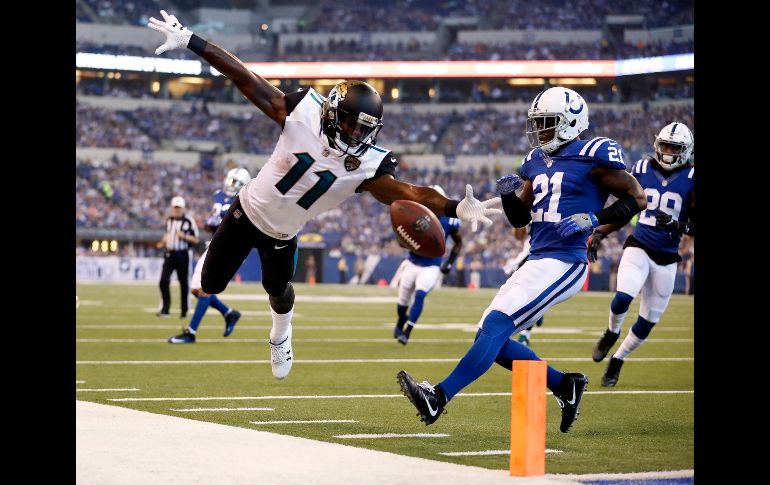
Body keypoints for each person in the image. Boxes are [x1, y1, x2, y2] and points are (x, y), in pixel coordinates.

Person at [148, 10, 501, 380]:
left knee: (278, 290)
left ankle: (280, 334)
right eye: (350, 122)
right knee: (209, 285)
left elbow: (408, 191)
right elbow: (245, 77)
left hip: (283, 233)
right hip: (247, 210)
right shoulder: (301, 112)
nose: (356, 134)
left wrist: (453, 206)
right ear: (334, 114)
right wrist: (192, 41)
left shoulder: (368, 165)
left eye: (365, 129)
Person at [396, 86, 646, 433]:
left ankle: (437, 397)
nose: (540, 131)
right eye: (538, 123)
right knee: (490, 337)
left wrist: (593, 220)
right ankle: (563, 385)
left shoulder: (593, 154)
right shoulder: (534, 160)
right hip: (537, 257)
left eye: (547, 123)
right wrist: (507, 195)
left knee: (496, 328)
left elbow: (637, 198)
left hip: (565, 261)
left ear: (570, 123)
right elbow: (519, 218)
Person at [587, 122, 694, 387]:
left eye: (674, 147)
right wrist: (601, 232)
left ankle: (618, 360)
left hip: (668, 257)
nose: (668, 151)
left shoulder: (692, 178)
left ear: (686, 150)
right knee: (623, 296)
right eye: (665, 145)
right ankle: (611, 332)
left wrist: (678, 226)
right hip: (639, 245)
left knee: (648, 320)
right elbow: (626, 210)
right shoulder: (641, 169)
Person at [168, 168, 251, 344]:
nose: (231, 185)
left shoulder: (246, 199)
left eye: (235, 182)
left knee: (205, 289)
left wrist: (222, 222)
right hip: (216, 244)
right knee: (196, 289)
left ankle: (190, 332)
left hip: (230, 247)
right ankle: (229, 313)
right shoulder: (219, 195)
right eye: (230, 180)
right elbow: (211, 225)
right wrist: (210, 223)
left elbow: (240, 226)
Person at [393, 185, 463, 345]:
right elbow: (401, 239)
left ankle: (407, 333)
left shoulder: (450, 219)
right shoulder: (416, 214)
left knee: (420, 295)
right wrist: (404, 241)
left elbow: (459, 242)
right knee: (402, 302)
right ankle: (400, 321)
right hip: (412, 262)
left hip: (432, 265)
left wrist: (450, 262)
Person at [156, 196, 199, 318]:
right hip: (169, 254)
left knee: (183, 283)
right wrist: (163, 242)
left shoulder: (189, 221)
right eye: (175, 207)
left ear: (183, 208)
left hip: (182, 254)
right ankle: (165, 309)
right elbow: (167, 234)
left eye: (179, 208)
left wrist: (184, 236)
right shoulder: (169, 220)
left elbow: (196, 239)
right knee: (163, 281)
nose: (177, 210)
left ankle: (184, 310)